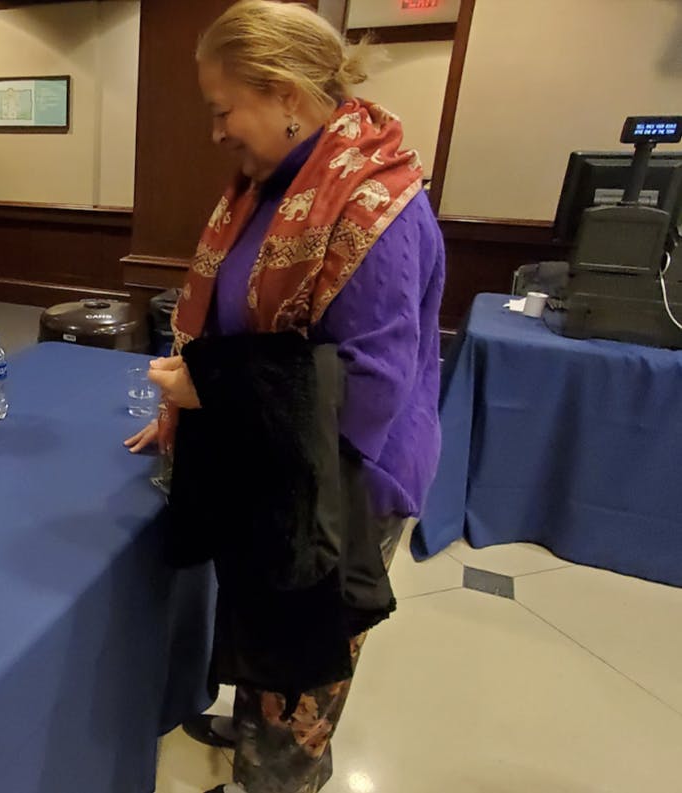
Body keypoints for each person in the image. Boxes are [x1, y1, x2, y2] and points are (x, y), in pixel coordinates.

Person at [124, 3, 444, 792]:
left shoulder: (373, 210)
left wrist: (211, 389)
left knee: (299, 669)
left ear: (286, 95)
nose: (215, 131)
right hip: (275, 461)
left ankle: (277, 771)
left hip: (346, 481)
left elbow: (365, 391)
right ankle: (251, 722)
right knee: (258, 622)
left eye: (222, 109)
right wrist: (197, 391)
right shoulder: (276, 182)